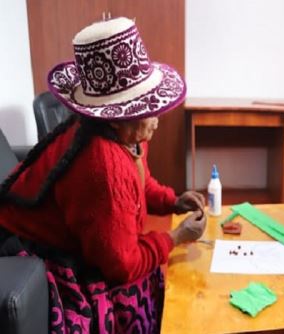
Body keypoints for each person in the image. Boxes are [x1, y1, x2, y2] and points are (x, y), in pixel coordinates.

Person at [0, 17, 206, 333]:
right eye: (144, 108)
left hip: (94, 236)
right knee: (139, 293)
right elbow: (121, 266)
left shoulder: (129, 138)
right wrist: (175, 238)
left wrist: (173, 201)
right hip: (35, 250)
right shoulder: (103, 168)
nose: (157, 117)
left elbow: (141, 182)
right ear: (114, 118)